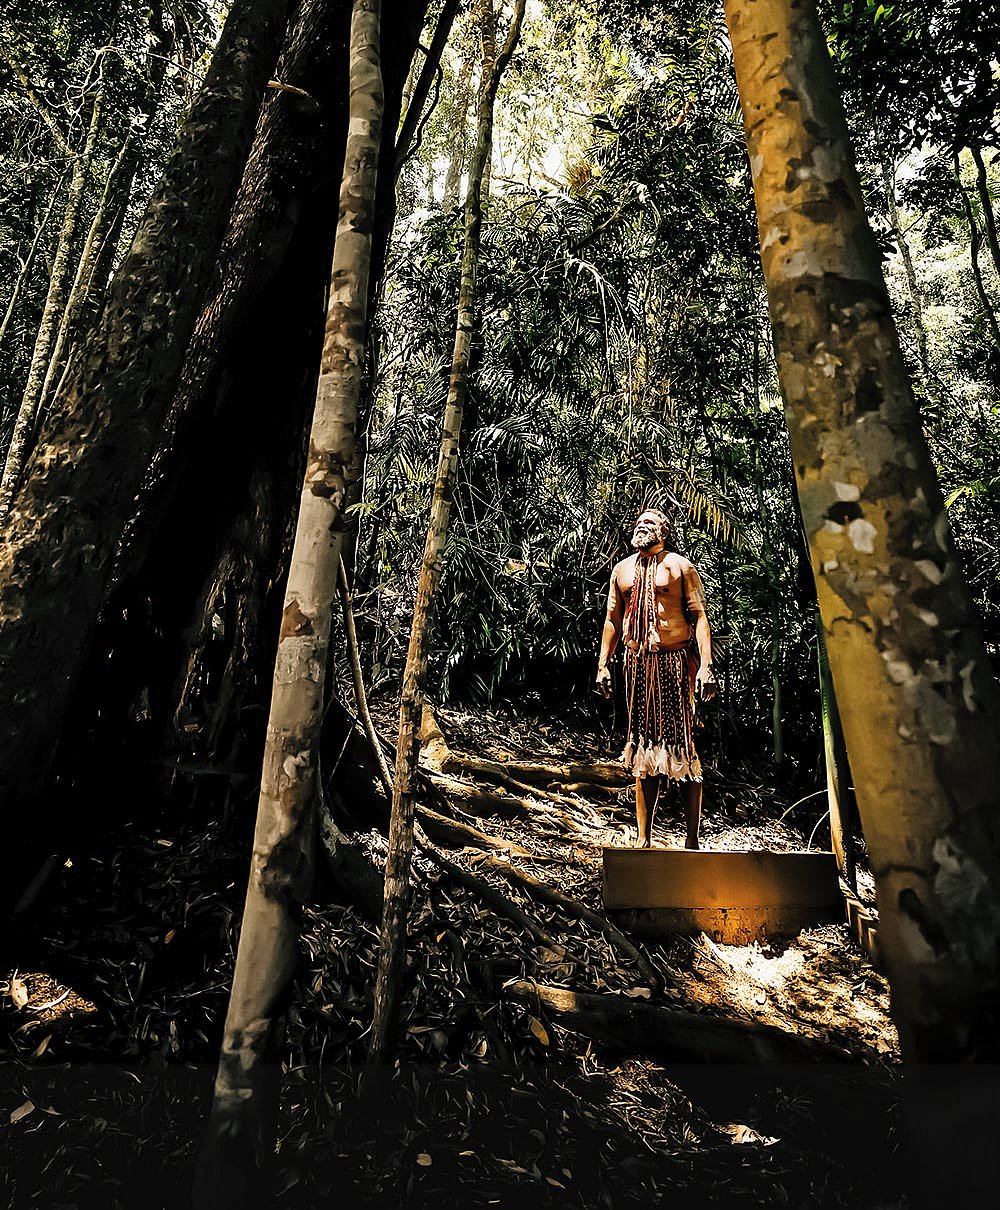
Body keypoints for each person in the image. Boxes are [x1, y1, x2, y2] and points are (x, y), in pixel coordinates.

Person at [596, 509, 716, 848]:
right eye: (638, 522)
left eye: (650, 523)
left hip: (674, 664)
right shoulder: (621, 570)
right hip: (636, 665)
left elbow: (699, 617)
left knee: (683, 745)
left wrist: (706, 666)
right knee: (642, 748)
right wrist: (602, 664)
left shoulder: (680, 567)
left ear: (664, 532)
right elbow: (612, 619)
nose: (641, 526)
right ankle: (644, 839)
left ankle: (691, 840)